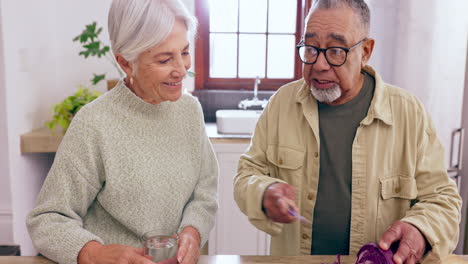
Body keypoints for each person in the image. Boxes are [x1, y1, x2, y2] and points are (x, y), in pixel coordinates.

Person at [233, 0, 462, 263]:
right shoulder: (282, 104)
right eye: (310, 48)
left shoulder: (409, 113)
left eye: (336, 50)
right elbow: (246, 174)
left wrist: (421, 230)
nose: (319, 64)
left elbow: (443, 200)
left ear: (365, 51)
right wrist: (264, 190)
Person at [26, 1, 218, 264]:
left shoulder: (190, 111)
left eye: (184, 52)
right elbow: (47, 219)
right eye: (164, 59)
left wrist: (193, 232)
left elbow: (204, 192)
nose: (181, 68)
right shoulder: (94, 123)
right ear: (126, 63)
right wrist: (95, 254)